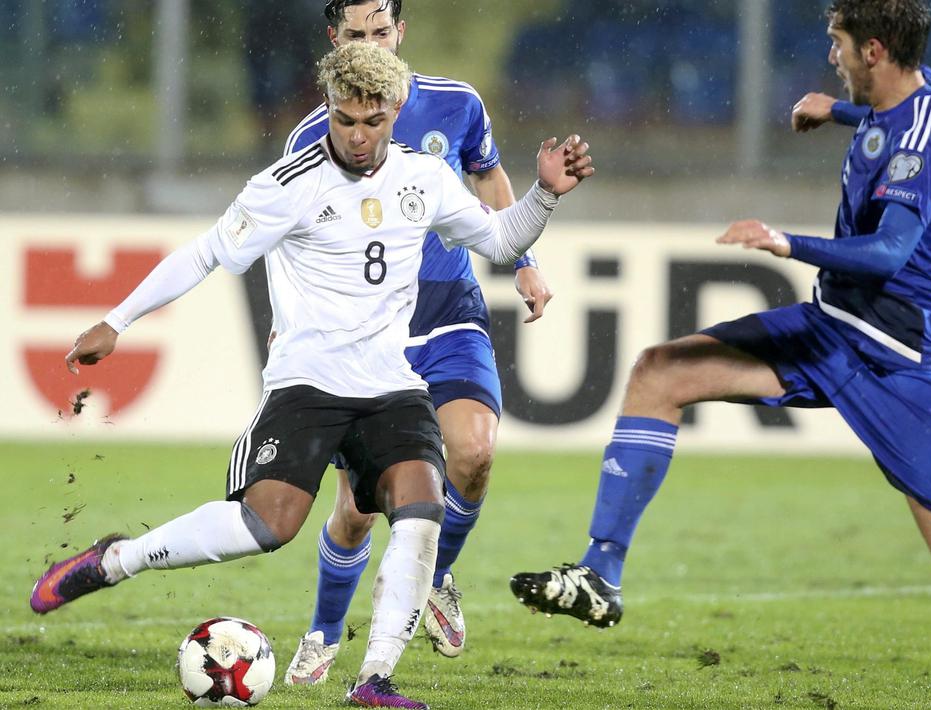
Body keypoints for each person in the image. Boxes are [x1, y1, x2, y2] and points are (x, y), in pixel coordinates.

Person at [509, 2, 931, 709]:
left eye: (836, 44)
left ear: (873, 50)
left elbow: (888, 252)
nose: (831, 56)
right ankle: (600, 575)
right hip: (831, 327)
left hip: (896, 359)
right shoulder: (912, 94)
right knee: (659, 372)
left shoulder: (927, 136)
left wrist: (788, 243)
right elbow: (893, 121)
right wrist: (838, 113)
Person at [32, 41, 592, 709]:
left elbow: (500, 241)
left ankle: (374, 680)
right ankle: (116, 559)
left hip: (391, 384)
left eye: (373, 120)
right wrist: (116, 321)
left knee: (421, 508)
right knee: (269, 527)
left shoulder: (426, 177)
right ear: (327, 110)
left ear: (395, 111)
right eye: (344, 119)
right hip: (308, 383)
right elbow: (203, 253)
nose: (358, 136)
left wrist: (543, 196)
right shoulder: (288, 185)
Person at [279, 0, 555, 682]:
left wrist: (522, 261)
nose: (370, 47)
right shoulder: (310, 140)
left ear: (399, 33)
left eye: (381, 33)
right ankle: (323, 629)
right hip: (367, 330)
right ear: (333, 41)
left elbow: (487, 175)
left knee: (475, 452)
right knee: (357, 509)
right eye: (355, 35)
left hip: (448, 305)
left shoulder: (456, 103)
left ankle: (438, 576)